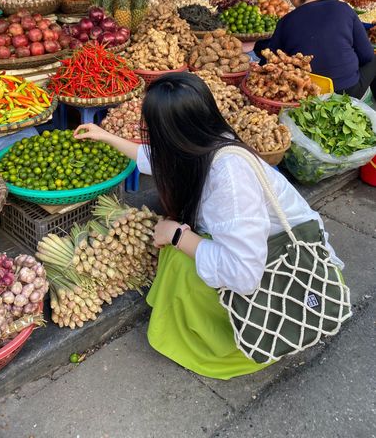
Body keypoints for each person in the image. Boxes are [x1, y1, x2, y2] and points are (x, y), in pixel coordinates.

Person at [73, 73, 344, 380]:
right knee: (178, 249)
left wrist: (176, 235)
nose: (147, 133)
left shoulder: (230, 178)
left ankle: (221, 344)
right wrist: (106, 136)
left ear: (171, 133)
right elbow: (157, 159)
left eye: (152, 127)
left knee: (178, 262)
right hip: (259, 248)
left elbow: (243, 275)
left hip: (278, 265)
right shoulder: (204, 143)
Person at [255, 0, 376, 98]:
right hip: (349, 91)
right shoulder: (344, 8)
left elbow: (267, 63)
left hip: (306, 91)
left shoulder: (286, 21)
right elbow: (367, 56)